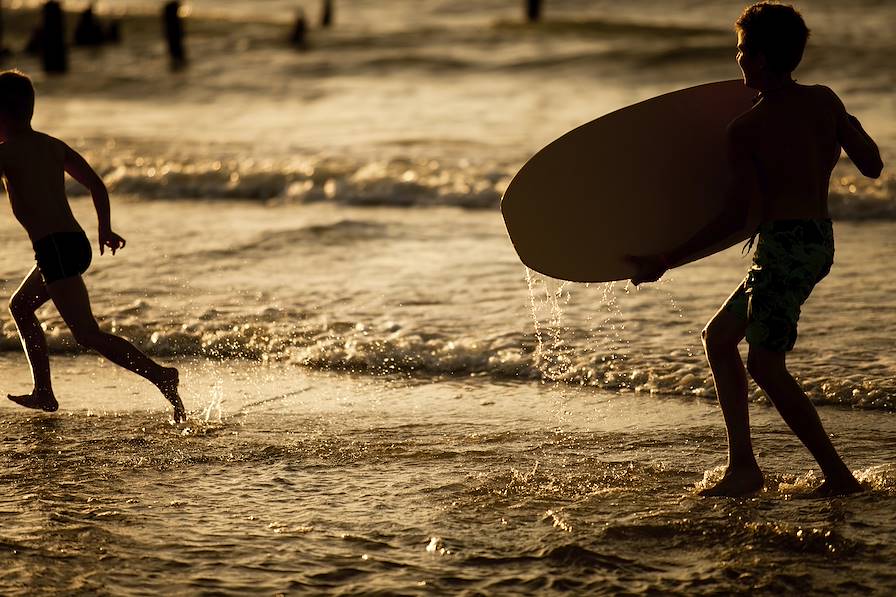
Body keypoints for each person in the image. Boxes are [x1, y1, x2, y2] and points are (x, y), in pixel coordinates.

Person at [629, 2, 883, 497]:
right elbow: (872, 165)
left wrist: (665, 259)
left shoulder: (748, 129)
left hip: (783, 247)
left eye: (743, 50)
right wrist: (839, 121)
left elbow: (734, 217)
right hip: (815, 240)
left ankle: (838, 476)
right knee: (719, 339)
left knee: (765, 365)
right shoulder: (824, 100)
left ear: (762, 58)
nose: (738, 58)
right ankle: (743, 465)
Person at [0, 70, 186, 422]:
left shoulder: (6, 154)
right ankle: (43, 391)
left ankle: (161, 375)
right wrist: (105, 228)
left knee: (86, 333)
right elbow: (97, 186)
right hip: (73, 242)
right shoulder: (53, 145)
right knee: (21, 305)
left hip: (54, 249)